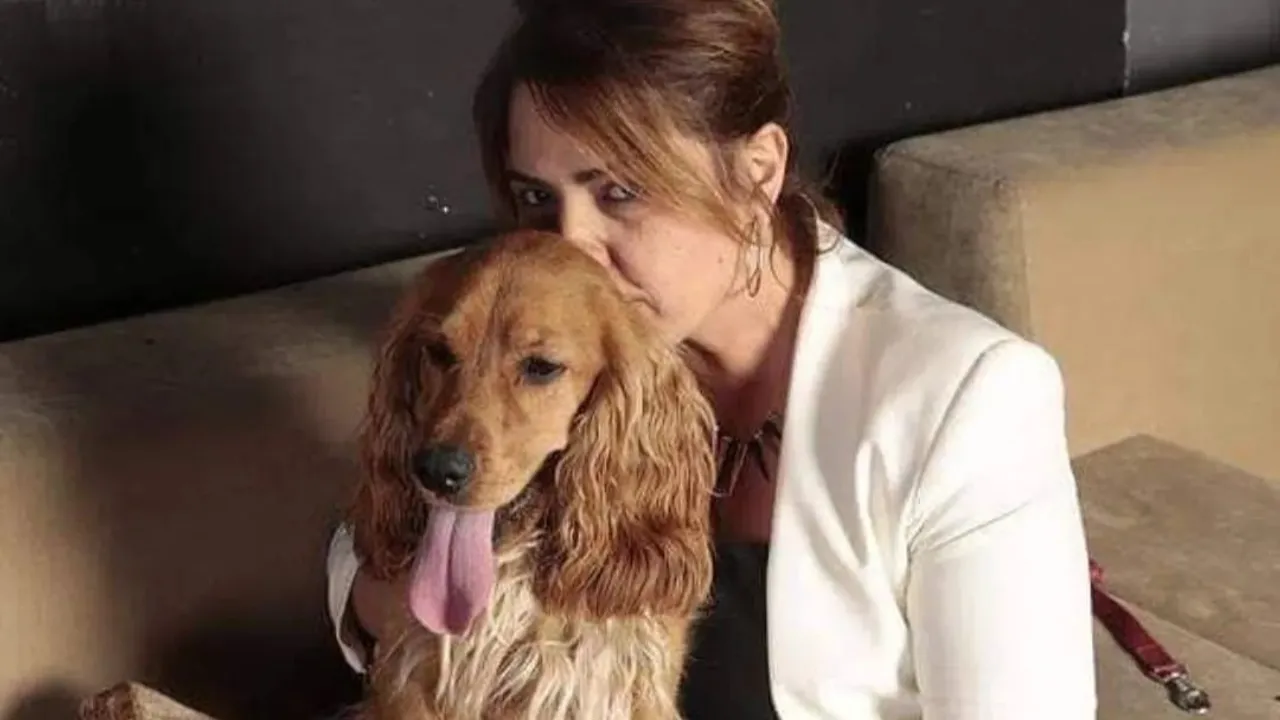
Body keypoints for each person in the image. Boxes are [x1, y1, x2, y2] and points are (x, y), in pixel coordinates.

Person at [326, 0, 1098, 717]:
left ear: (757, 172)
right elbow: (383, 542)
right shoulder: (546, 343)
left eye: (619, 192)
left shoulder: (968, 396)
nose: (572, 246)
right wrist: (386, 605)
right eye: (537, 198)